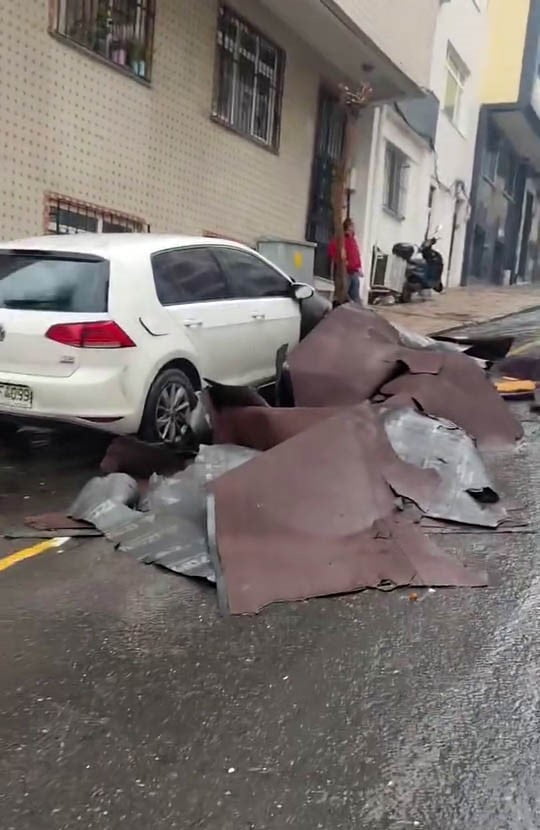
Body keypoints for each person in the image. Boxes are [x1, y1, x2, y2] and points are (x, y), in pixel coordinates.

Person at [328, 218, 363, 304]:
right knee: (343, 296)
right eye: (352, 226)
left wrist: (359, 267)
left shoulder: (352, 239)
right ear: (348, 227)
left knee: (355, 297)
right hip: (345, 272)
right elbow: (331, 250)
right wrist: (340, 261)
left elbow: (356, 255)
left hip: (354, 272)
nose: (353, 228)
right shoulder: (341, 239)